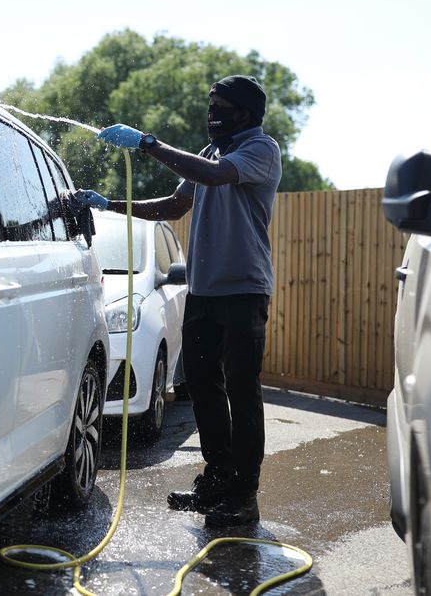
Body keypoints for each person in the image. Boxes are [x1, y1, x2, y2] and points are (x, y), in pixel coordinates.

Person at [75, 75, 281, 528]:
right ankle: (216, 479)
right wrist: (108, 203)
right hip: (204, 291)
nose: (213, 116)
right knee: (205, 388)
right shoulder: (208, 152)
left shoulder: (260, 150)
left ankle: (243, 494)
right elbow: (173, 205)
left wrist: (148, 143)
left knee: (242, 393)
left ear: (245, 113)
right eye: (211, 106)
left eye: (222, 107)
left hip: (244, 291)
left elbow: (213, 177)